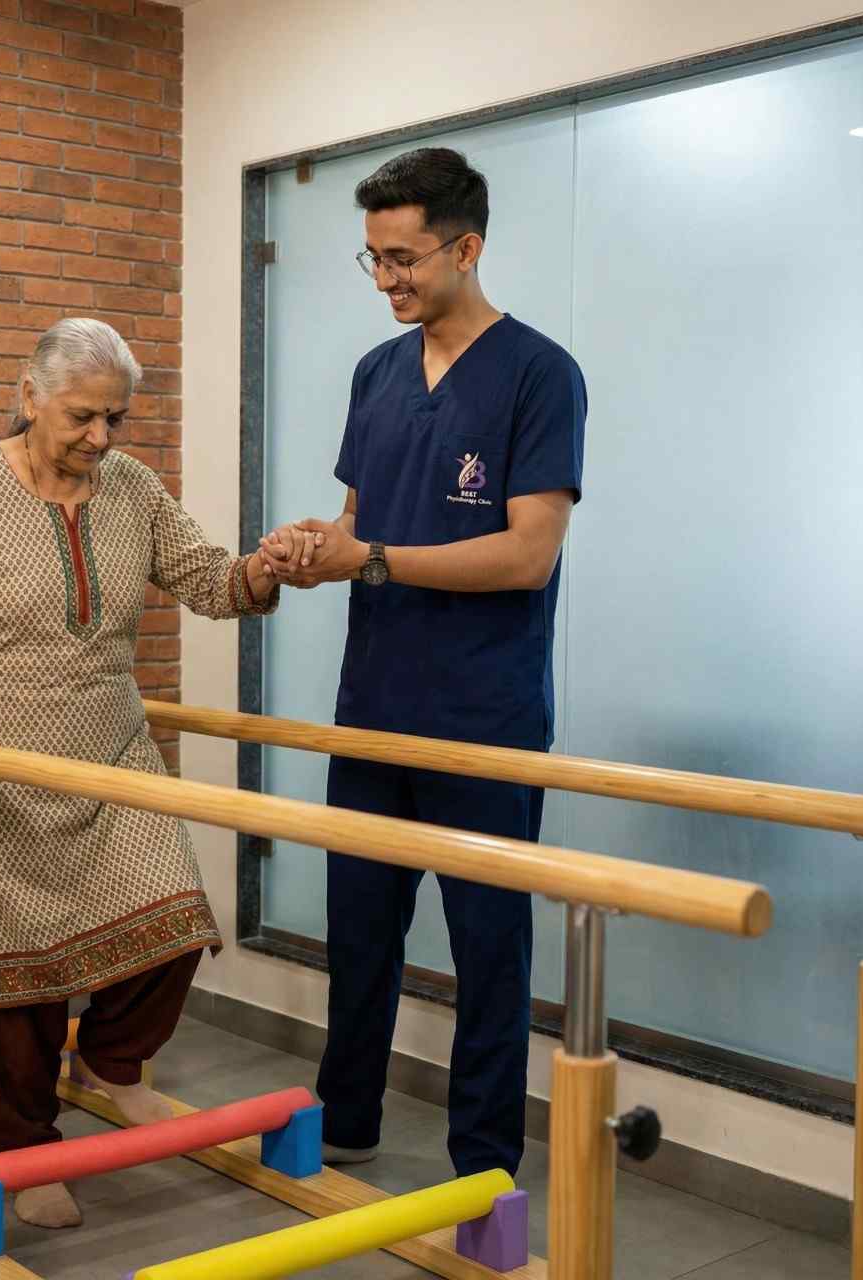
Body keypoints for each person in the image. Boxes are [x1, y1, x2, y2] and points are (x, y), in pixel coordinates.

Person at [0, 318, 286, 1230]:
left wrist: (268, 567)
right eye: (82, 416)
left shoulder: (131, 487)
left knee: (176, 923)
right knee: (12, 989)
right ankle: (26, 1150)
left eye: (116, 419)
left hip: (110, 760)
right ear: (30, 397)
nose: (100, 438)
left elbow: (209, 580)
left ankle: (109, 1064)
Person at [262, 148, 587, 1180]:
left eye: (401, 259)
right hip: (372, 706)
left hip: (483, 716)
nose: (387, 280)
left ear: (465, 247)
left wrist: (376, 558)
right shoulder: (376, 372)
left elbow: (528, 550)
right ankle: (345, 1120)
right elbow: (363, 524)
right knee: (358, 936)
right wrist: (315, 550)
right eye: (371, 260)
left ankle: (483, 1166)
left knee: (489, 951)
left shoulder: (539, 372)